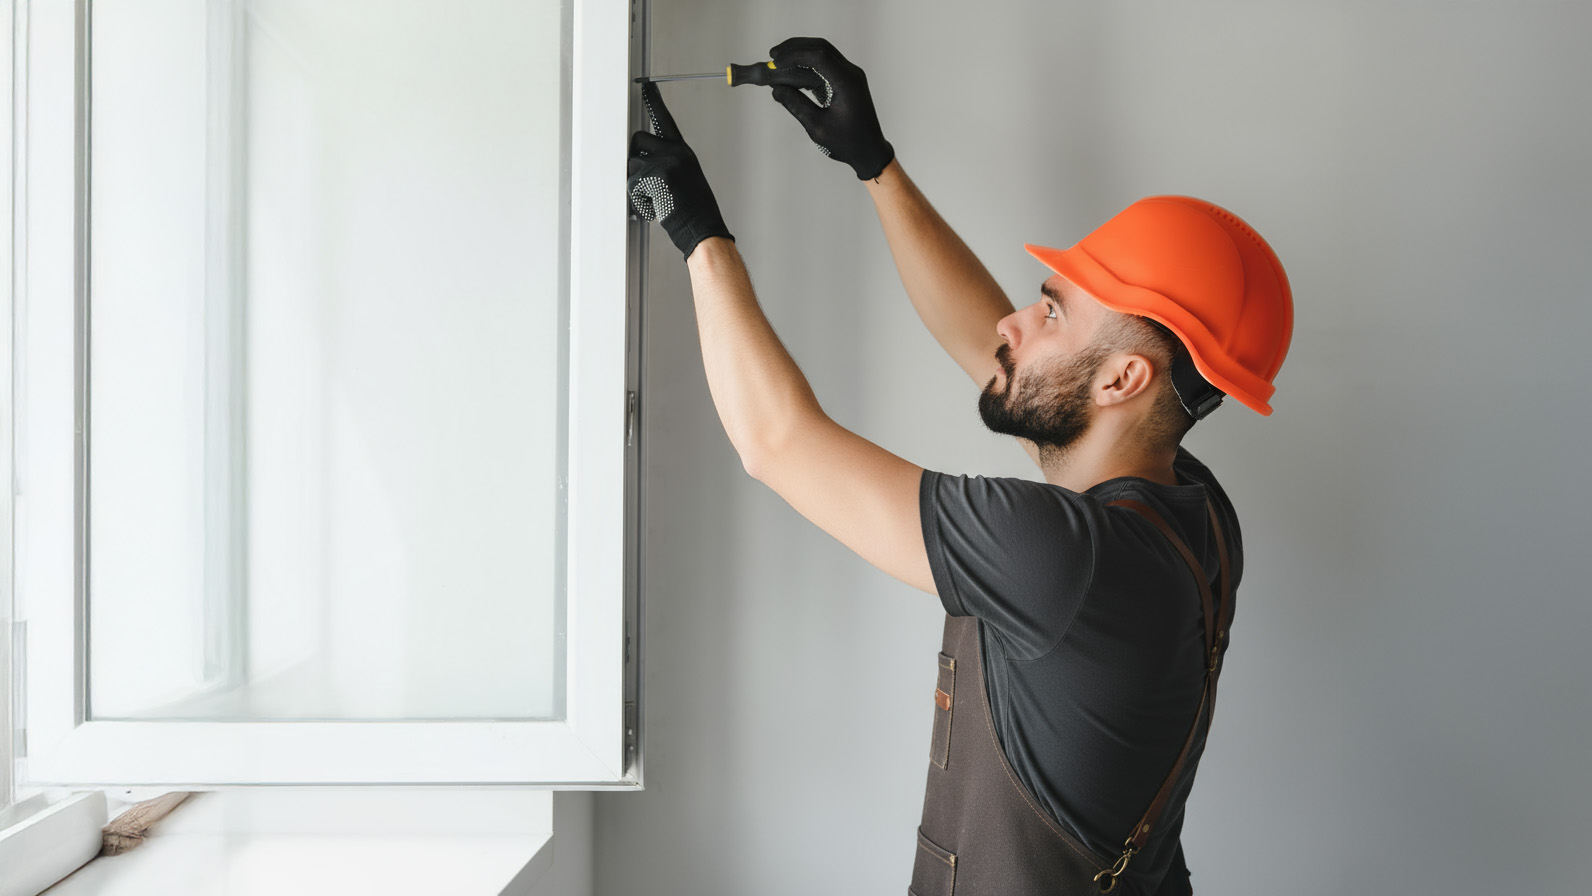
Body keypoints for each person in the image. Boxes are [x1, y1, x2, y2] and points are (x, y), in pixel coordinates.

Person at [627, 36, 1293, 896]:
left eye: (1051, 310)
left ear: (1126, 378)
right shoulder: (1194, 511)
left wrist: (695, 233)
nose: (1014, 324)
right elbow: (995, 354)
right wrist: (874, 165)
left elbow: (779, 443)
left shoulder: (1063, 557)